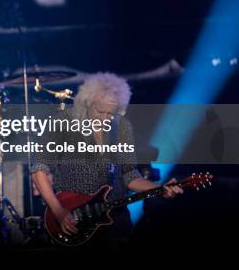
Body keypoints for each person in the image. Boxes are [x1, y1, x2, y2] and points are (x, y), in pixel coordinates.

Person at [31, 72, 182, 247]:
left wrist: (159, 189)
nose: (104, 119)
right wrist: (58, 211)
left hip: (115, 222)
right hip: (72, 218)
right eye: (99, 111)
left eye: (110, 113)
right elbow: (39, 171)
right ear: (87, 103)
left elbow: (129, 176)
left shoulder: (122, 128)